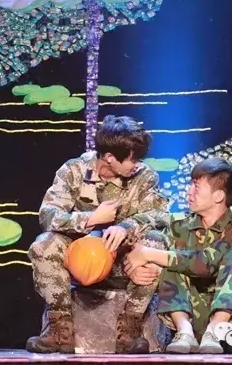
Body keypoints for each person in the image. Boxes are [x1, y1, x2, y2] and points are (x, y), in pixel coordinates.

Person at [27, 115, 170, 355]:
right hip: (81, 262)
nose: (137, 164)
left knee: (155, 243)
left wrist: (126, 227)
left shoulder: (145, 177)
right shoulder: (74, 170)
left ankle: (129, 330)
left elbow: (160, 216)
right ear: (110, 157)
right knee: (44, 245)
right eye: (132, 159)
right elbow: (48, 216)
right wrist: (90, 219)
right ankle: (61, 332)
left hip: (123, 263)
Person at [124, 157, 232, 354]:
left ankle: (215, 329)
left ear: (218, 196)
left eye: (196, 187)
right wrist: (132, 264)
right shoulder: (180, 224)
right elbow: (147, 220)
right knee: (171, 256)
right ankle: (184, 331)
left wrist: (149, 254)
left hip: (231, 330)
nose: (189, 192)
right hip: (190, 323)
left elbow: (206, 263)